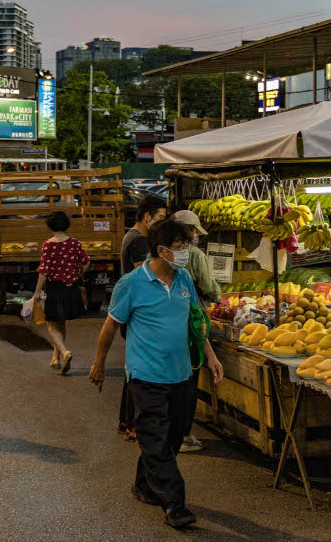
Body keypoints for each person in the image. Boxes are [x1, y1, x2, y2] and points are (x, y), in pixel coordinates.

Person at [89, 219, 224, 530]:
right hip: (146, 375)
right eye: (180, 247)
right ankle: (175, 504)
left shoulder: (185, 279)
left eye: (187, 246)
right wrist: (98, 364)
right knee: (155, 438)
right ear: (162, 250)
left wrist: (211, 357)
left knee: (171, 438)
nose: (186, 252)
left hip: (181, 375)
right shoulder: (132, 283)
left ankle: (144, 484)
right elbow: (110, 326)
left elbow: (196, 320)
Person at [118, 194, 167, 441]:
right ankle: (132, 423)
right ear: (147, 217)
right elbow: (144, 275)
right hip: (138, 314)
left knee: (133, 372)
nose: (161, 222)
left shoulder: (132, 236)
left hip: (133, 313)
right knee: (138, 374)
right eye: (159, 218)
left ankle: (126, 420)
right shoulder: (138, 241)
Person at [172, 209, 221, 453]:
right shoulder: (195, 255)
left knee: (180, 379)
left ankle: (176, 432)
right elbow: (208, 286)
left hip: (178, 328)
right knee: (189, 380)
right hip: (193, 320)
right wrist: (219, 297)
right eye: (192, 231)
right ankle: (182, 434)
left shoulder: (166, 257)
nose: (194, 236)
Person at [32, 210, 90, 375]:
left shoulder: (48, 244)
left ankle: (64, 352)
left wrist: (37, 292)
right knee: (61, 322)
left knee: (51, 324)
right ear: (67, 225)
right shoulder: (75, 243)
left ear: (49, 226)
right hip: (71, 288)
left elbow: (44, 270)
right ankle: (56, 358)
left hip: (55, 288)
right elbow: (86, 262)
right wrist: (78, 274)